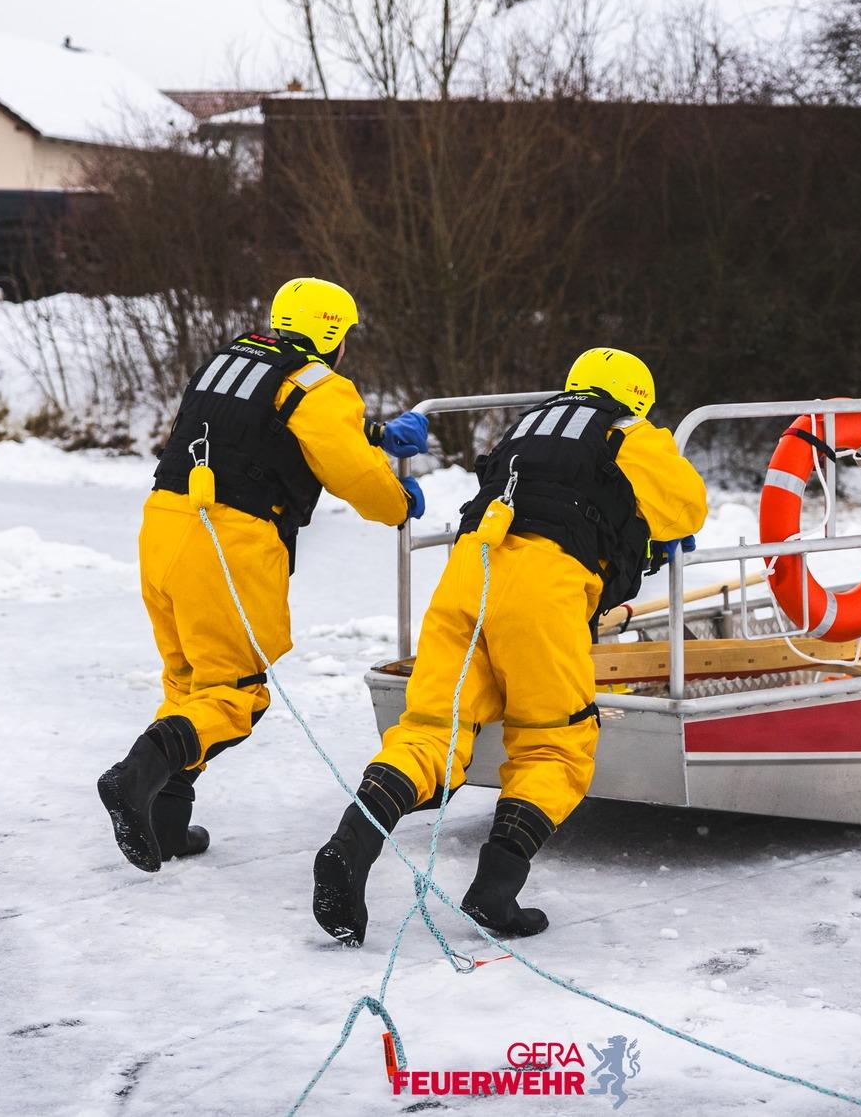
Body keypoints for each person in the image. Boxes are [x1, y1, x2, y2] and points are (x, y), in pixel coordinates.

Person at [311, 347, 707, 944]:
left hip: (467, 576)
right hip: (544, 589)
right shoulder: (631, 434)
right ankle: (495, 892)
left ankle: (351, 844)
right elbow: (689, 507)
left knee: (431, 728)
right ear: (637, 400)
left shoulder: (528, 426)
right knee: (554, 743)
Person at [98, 277, 429, 872]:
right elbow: (356, 476)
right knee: (235, 696)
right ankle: (134, 774)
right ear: (333, 336)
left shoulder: (228, 363)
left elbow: (267, 428)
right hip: (228, 543)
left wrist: (376, 433)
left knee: (189, 685)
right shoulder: (319, 384)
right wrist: (399, 502)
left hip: (165, 525)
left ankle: (166, 826)